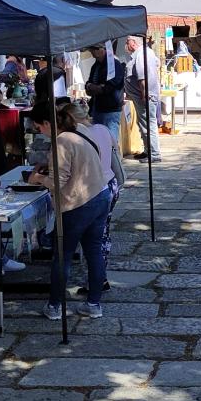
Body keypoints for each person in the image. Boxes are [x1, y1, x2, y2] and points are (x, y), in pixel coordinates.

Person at [28, 101, 113, 321]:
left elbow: (58, 181)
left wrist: (37, 178)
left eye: (39, 127)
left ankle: (54, 305)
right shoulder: (79, 131)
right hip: (100, 195)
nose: (40, 132)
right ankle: (94, 303)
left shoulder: (63, 140)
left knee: (62, 256)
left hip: (79, 202)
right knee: (93, 251)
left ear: (47, 123)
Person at [63, 102, 120, 298]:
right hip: (111, 183)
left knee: (92, 240)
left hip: (93, 188)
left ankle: (98, 279)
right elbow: (115, 150)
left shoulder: (79, 136)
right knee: (102, 234)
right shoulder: (102, 129)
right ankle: (99, 277)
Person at [125, 35, 162, 162]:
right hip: (143, 95)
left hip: (144, 96)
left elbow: (142, 77)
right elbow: (158, 63)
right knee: (144, 123)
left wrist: (144, 93)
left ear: (134, 43)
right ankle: (148, 150)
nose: (126, 44)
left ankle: (154, 154)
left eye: (127, 41)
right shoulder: (147, 52)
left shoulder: (141, 54)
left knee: (148, 123)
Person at [85, 42, 125, 143]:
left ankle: (113, 159)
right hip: (97, 108)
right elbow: (88, 84)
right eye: (91, 50)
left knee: (111, 142)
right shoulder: (96, 65)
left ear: (101, 50)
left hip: (110, 109)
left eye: (94, 49)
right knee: (99, 141)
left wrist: (95, 87)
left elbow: (108, 88)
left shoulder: (114, 65)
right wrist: (93, 86)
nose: (92, 52)